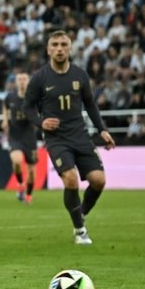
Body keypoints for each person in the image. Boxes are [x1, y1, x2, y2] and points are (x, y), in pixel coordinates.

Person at [24, 30, 115, 245]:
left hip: (80, 135)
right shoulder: (39, 78)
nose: (59, 49)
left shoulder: (80, 75)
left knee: (99, 181)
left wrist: (102, 129)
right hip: (57, 139)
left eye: (63, 44)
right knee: (71, 179)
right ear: (48, 49)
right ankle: (79, 230)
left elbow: (90, 104)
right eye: (54, 44)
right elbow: (26, 107)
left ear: (70, 48)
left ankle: (79, 214)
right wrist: (41, 122)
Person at [2, 72, 38, 204]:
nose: (22, 81)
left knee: (32, 170)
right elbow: (5, 107)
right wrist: (5, 120)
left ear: (28, 81)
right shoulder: (10, 97)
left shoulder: (34, 97)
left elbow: (42, 111)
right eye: (19, 79)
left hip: (30, 136)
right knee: (16, 160)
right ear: (16, 82)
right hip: (15, 134)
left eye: (24, 79)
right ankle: (20, 182)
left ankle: (28, 195)